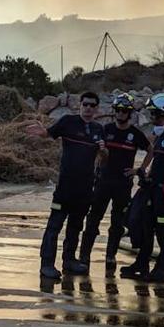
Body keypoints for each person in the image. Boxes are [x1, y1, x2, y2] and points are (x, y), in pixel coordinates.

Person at [25, 91, 104, 279]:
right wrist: (41, 131)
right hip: (65, 187)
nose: (88, 109)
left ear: (97, 109)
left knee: (75, 227)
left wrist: (104, 151)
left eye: (92, 105)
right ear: (80, 105)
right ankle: (47, 264)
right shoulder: (68, 121)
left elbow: (103, 157)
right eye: (85, 104)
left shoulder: (98, 129)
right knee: (55, 225)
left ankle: (69, 260)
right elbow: (48, 134)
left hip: (85, 189)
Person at [78, 92, 150, 274]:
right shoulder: (106, 129)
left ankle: (111, 255)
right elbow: (97, 151)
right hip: (103, 182)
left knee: (117, 223)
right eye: (118, 110)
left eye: (124, 111)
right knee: (93, 219)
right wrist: (100, 159)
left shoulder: (135, 134)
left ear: (130, 113)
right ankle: (84, 256)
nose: (121, 114)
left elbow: (151, 150)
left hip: (123, 185)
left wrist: (138, 170)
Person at [121, 92, 164, 284]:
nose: (151, 118)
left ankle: (161, 270)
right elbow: (152, 155)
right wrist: (140, 170)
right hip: (152, 189)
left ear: (162, 114)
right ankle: (142, 264)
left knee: (163, 230)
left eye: (153, 114)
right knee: (145, 226)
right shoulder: (159, 136)